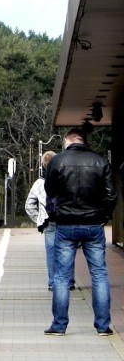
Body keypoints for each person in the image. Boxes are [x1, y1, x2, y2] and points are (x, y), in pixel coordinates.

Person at [43, 128, 118, 336]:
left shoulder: (57, 161)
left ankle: (59, 325)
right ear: (84, 141)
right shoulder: (101, 161)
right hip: (94, 224)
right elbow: (112, 195)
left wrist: (58, 213)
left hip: (66, 225)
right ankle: (103, 326)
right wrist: (104, 216)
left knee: (61, 276)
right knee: (99, 274)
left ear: (67, 141)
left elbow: (50, 191)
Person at [25, 150, 75, 291]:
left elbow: (28, 205)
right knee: (68, 250)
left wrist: (39, 219)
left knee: (51, 252)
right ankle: (69, 281)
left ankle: (53, 283)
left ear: (43, 164)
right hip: (66, 220)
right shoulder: (66, 178)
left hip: (49, 223)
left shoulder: (39, 183)